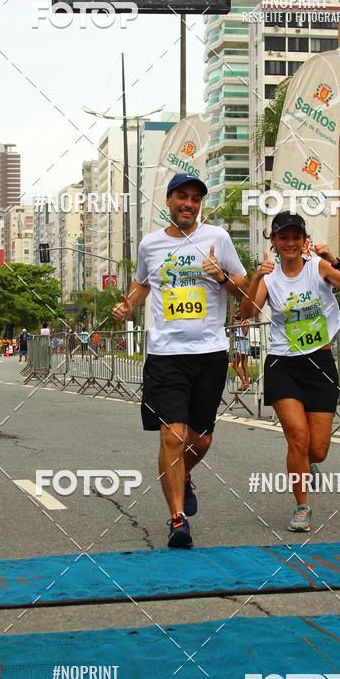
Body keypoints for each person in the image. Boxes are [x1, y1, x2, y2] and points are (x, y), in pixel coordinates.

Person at [112, 172, 248, 548]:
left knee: (199, 440)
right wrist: (127, 306)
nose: (189, 204)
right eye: (182, 197)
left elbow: (243, 286)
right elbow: (143, 283)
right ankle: (177, 519)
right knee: (172, 435)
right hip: (165, 354)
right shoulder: (150, 244)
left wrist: (220, 275)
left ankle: (182, 476)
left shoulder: (217, 238)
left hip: (209, 353)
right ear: (169, 201)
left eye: (195, 199)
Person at [240, 212, 340, 532]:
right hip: (284, 364)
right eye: (284, 238)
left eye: (296, 237)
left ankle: (308, 463)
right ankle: (301, 506)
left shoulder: (318, 267)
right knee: (297, 436)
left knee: (318, 450)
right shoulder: (269, 278)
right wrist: (256, 277)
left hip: (320, 364)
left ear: (304, 240)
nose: (291, 243)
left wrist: (334, 259)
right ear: (274, 242)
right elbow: (247, 314)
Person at [231, 310, 251, 391]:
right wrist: (232, 322)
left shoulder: (246, 321)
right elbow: (232, 331)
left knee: (234, 364)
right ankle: (247, 385)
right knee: (244, 365)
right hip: (242, 342)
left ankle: (244, 382)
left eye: (238, 313)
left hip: (243, 342)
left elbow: (245, 333)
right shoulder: (240, 322)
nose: (237, 315)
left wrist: (242, 323)